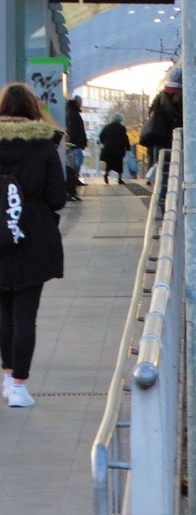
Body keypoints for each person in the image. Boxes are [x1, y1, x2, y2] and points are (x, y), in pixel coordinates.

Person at [0, 82, 67, 408]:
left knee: (3, 312)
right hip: (33, 238)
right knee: (26, 315)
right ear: (32, 108)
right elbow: (57, 198)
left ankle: (7, 373)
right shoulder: (43, 146)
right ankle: (18, 387)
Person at [64, 94, 87, 201]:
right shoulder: (73, 113)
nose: (81, 103)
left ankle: (74, 181)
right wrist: (74, 140)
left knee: (76, 162)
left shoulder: (72, 111)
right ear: (77, 102)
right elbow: (73, 128)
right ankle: (73, 182)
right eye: (80, 101)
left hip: (75, 142)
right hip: (75, 143)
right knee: (76, 162)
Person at [97, 113, 131, 185]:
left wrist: (104, 143)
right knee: (119, 164)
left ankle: (106, 173)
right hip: (118, 150)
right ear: (120, 120)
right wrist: (128, 147)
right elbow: (125, 138)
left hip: (108, 150)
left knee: (109, 164)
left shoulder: (107, 127)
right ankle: (120, 179)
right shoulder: (122, 128)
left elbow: (101, 136)